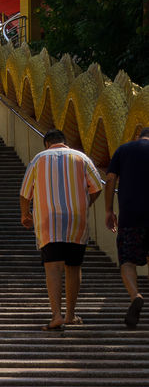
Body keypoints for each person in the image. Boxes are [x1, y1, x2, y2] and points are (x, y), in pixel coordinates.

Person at [20, 129, 103, 329]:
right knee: (73, 267)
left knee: (53, 267)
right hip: (76, 219)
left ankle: (56, 315)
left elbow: (25, 193)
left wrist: (25, 214)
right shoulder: (81, 157)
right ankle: (70, 315)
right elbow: (97, 186)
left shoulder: (38, 159)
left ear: (46, 143)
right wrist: (84, 204)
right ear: (65, 142)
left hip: (49, 221)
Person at [104, 126, 149, 327]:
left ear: (138, 135)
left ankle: (135, 296)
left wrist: (108, 210)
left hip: (130, 216)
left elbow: (111, 178)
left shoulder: (124, 149)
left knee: (127, 262)